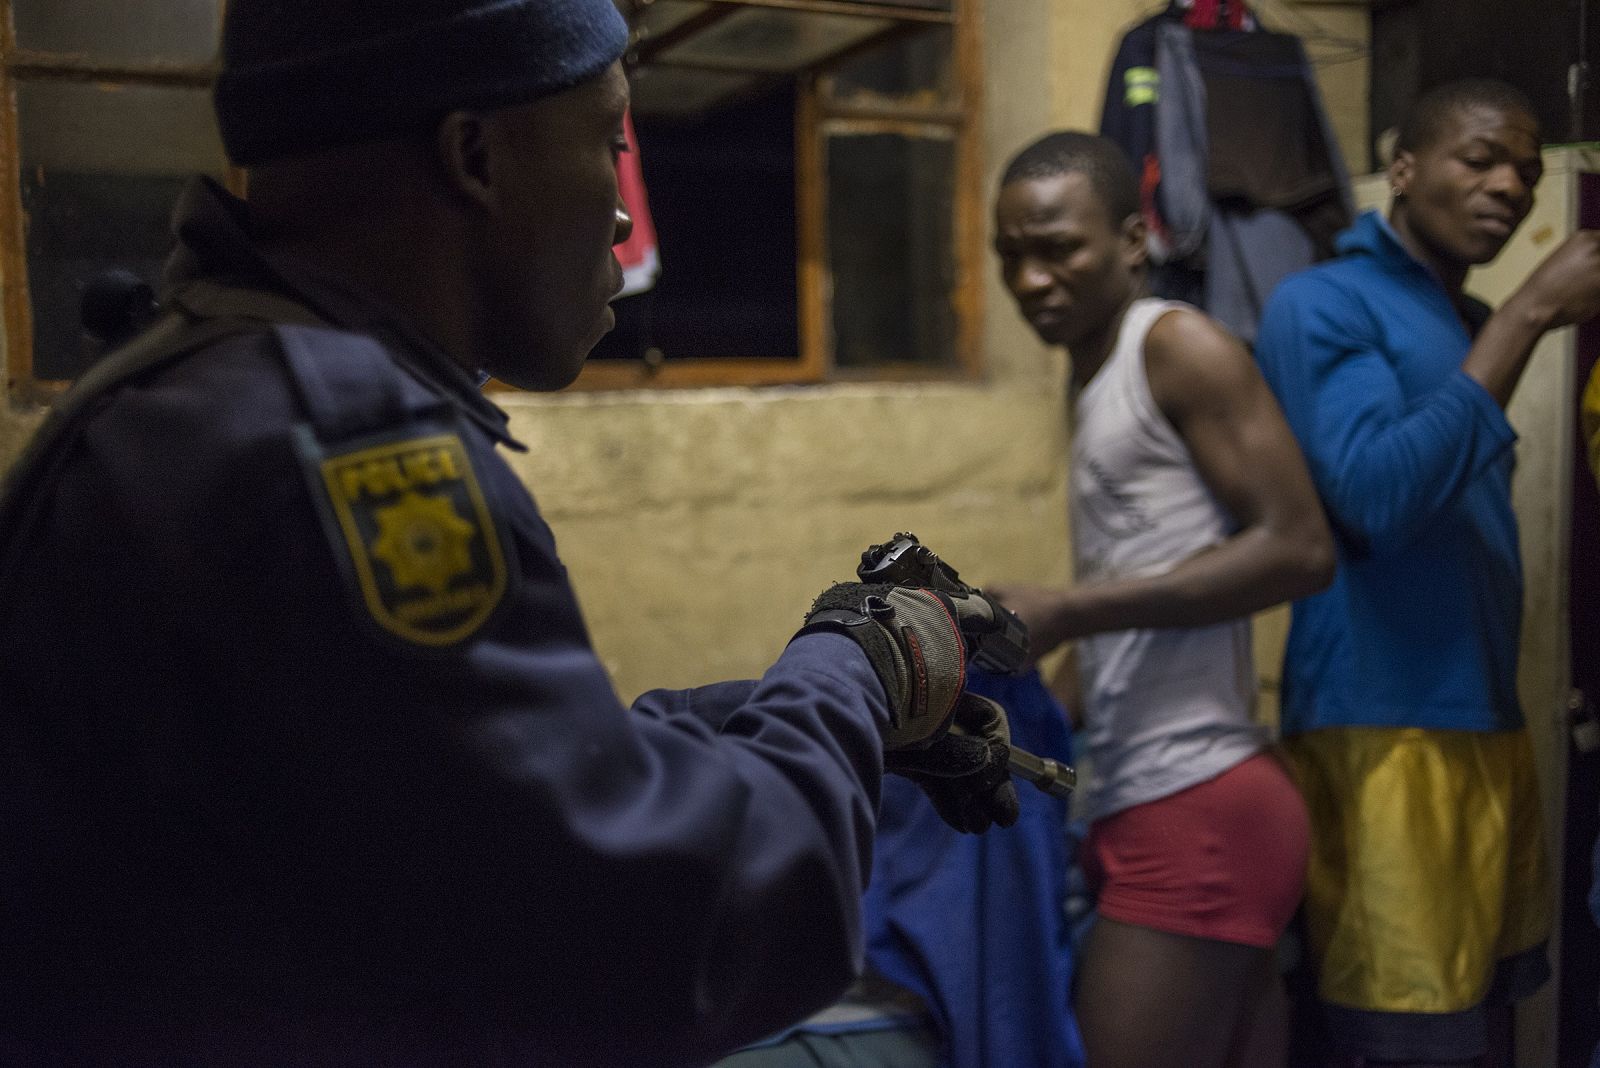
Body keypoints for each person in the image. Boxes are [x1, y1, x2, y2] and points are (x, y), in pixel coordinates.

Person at [0, 2, 1021, 1064]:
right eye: (610, 142)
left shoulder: (191, 388)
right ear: (475, 156)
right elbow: (668, 934)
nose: (621, 216)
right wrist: (855, 665)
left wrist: (827, 719)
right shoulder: (344, 446)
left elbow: (460, 802)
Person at [1253, 78, 1600, 1067]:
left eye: (1526, 171)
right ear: (1402, 170)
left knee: (1484, 1017)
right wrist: (1528, 315)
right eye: (1480, 159)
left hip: (1482, 718)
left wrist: (1501, 320)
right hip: (1383, 724)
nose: (1510, 187)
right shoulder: (1323, 301)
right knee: (1403, 1039)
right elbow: (1374, 499)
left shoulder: (1459, 315)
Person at [988, 130, 1335, 1068]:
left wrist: (1068, 609)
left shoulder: (1176, 346)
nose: (1029, 279)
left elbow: (1301, 549)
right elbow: (1128, 617)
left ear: (1133, 241)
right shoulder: (1097, 379)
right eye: (1009, 255)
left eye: (1058, 249)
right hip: (1163, 796)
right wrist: (1013, 729)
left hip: (1198, 802)